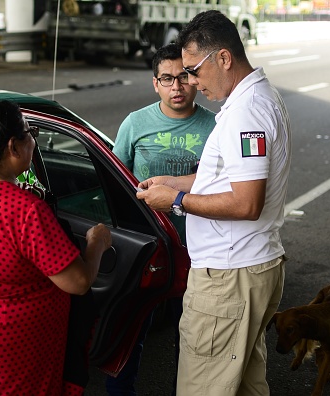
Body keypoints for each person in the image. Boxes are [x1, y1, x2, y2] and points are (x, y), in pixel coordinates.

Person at [136, 10, 292, 396]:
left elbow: (245, 203)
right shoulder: (256, 98)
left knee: (202, 387)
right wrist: (172, 180)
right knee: (246, 384)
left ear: (223, 58)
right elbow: (227, 179)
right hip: (250, 268)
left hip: (229, 276)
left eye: (193, 70)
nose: (189, 82)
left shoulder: (245, 113)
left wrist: (175, 200)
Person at [0, 100, 112, 396]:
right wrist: (96, 243)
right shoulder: (24, 210)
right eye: (31, 134)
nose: (33, 142)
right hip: (14, 343)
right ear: (14, 147)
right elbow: (77, 282)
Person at [109, 43, 216, 395]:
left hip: (195, 252)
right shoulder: (135, 124)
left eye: (184, 77)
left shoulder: (215, 127)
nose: (177, 87)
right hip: (144, 252)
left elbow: (225, 186)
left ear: (194, 79)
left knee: (191, 343)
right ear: (155, 83)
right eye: (167, 79)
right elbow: (114, 179)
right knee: (129, 337)